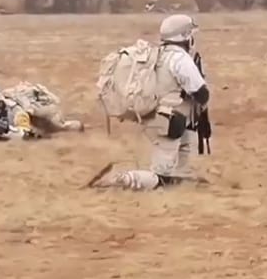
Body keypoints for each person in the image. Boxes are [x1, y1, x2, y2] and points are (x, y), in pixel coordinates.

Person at [88, 14, 211, 190]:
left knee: (184, 144)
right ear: (185, 36)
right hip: (169, 121)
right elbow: (201, 93)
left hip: (156, 118)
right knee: (161, 178)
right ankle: (122, 179)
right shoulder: (180, 59)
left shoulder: (160, 55)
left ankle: (181, 177)